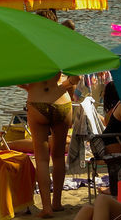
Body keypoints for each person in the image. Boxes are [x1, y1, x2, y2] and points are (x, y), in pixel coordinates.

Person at [22, 71, 79, 217]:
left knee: (41, 159)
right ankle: (57, 203)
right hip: (61, 101)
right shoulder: (57, 50)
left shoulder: (28, 53)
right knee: (59, 156)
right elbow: (76, 78)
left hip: (37, 100)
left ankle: (46, 207)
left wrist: (30, 87)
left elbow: (14, 78)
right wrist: (63, 85)